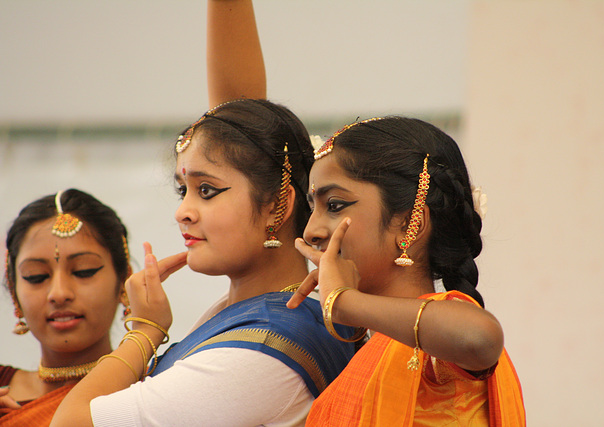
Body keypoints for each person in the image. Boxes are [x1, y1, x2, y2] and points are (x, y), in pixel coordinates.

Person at [51, 103, 356, 425]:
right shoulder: (251, 312)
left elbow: (70, 423)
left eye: (206, 190)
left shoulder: (263, 348)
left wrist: (144, 332)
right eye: (183, 191)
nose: (182, 211)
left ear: (277, 204)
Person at [287, 117, 526, 426]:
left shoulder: (435, 350)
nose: (310, 231)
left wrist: (343, 302)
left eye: (334, 205)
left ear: (409, 225)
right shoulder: (365, 345)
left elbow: (480, 338)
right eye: (312, 209)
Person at [0, 189, 132, 426]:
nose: (59, 294)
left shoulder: (155, 390)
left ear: (123, 280)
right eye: (36, 276)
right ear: (13, 289)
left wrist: (148, 334)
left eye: (84, 271)